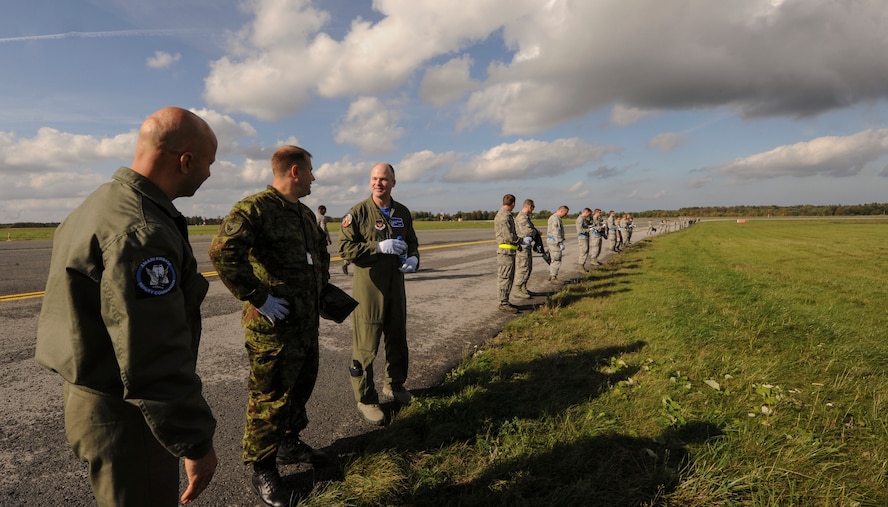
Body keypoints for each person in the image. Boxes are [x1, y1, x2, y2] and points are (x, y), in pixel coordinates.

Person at [35, 107, 218, 506]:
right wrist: (194, 441)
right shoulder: (142, 230)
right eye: (208, 164)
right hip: (126, 412)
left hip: (88, 395)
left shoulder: (97, 204)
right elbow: (152, 352)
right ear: (186, 161)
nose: (208, 174)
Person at [208, 146, 331, 507]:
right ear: (295, 171)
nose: (314, 177)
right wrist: (257, 296)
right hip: (272, 328)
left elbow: (319, 256)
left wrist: (321, 290)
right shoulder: (255, 208)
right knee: (269, 398)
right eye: (311, 170)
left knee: (300, 388)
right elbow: (222, 251)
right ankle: (262, 468)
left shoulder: (305, 214)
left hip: (304, 323)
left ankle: (288, 444)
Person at [339, 163, 419, 426]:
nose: (378, 183)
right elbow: (346, 249)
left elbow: (412, 242)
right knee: (366, 345)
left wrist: (415, 258)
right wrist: (378, 247)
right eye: (374, 178)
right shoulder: (358, 213)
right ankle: (365, 398)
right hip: (369, 288)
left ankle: (394, 385)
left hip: (396, 286)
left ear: (393, 182)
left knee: (397, 337)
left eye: (384, 179)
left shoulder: (403, 212)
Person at [494, 194, 522, 312]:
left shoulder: (506, 215)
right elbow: (508, 236)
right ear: (513, 203)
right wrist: (520, 240)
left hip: (509, 251)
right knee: (505, 277)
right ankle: (503, 303)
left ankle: (505, 300)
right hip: (505, 252)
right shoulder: (504, 217)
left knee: (508, 277)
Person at [513, 198, 537, 299]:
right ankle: (518, 289)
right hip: (522, 247)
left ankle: (523, 287)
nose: (533, 209)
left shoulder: (526, 217)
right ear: (529, 206)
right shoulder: (522, 217)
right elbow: (527, 231)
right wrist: (535, 232)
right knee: (522, 268)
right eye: (533, 207)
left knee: (528, 267)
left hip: (526, 246)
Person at [546, 205, 569, 283]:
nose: (565, 215)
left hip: (553, 241)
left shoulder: (556, 217)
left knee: (554, 259)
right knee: (556, 259)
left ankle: (552, 274)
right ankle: (553, 277)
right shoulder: (555, 218)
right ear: (561, 211)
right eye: (565, 213)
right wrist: (560, 242)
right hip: (555, 241)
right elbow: (556, 232)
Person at [575, 207, 592, 273]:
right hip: (582, 237)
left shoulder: (584, 219)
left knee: (586, 251)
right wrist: (589, 230)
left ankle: (582, 266)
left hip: (585, 236)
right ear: (586, 212)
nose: (589, 216)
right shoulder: (580, 219)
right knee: (583, 251)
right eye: (589, 214)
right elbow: (580, 230)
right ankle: (580, 267)